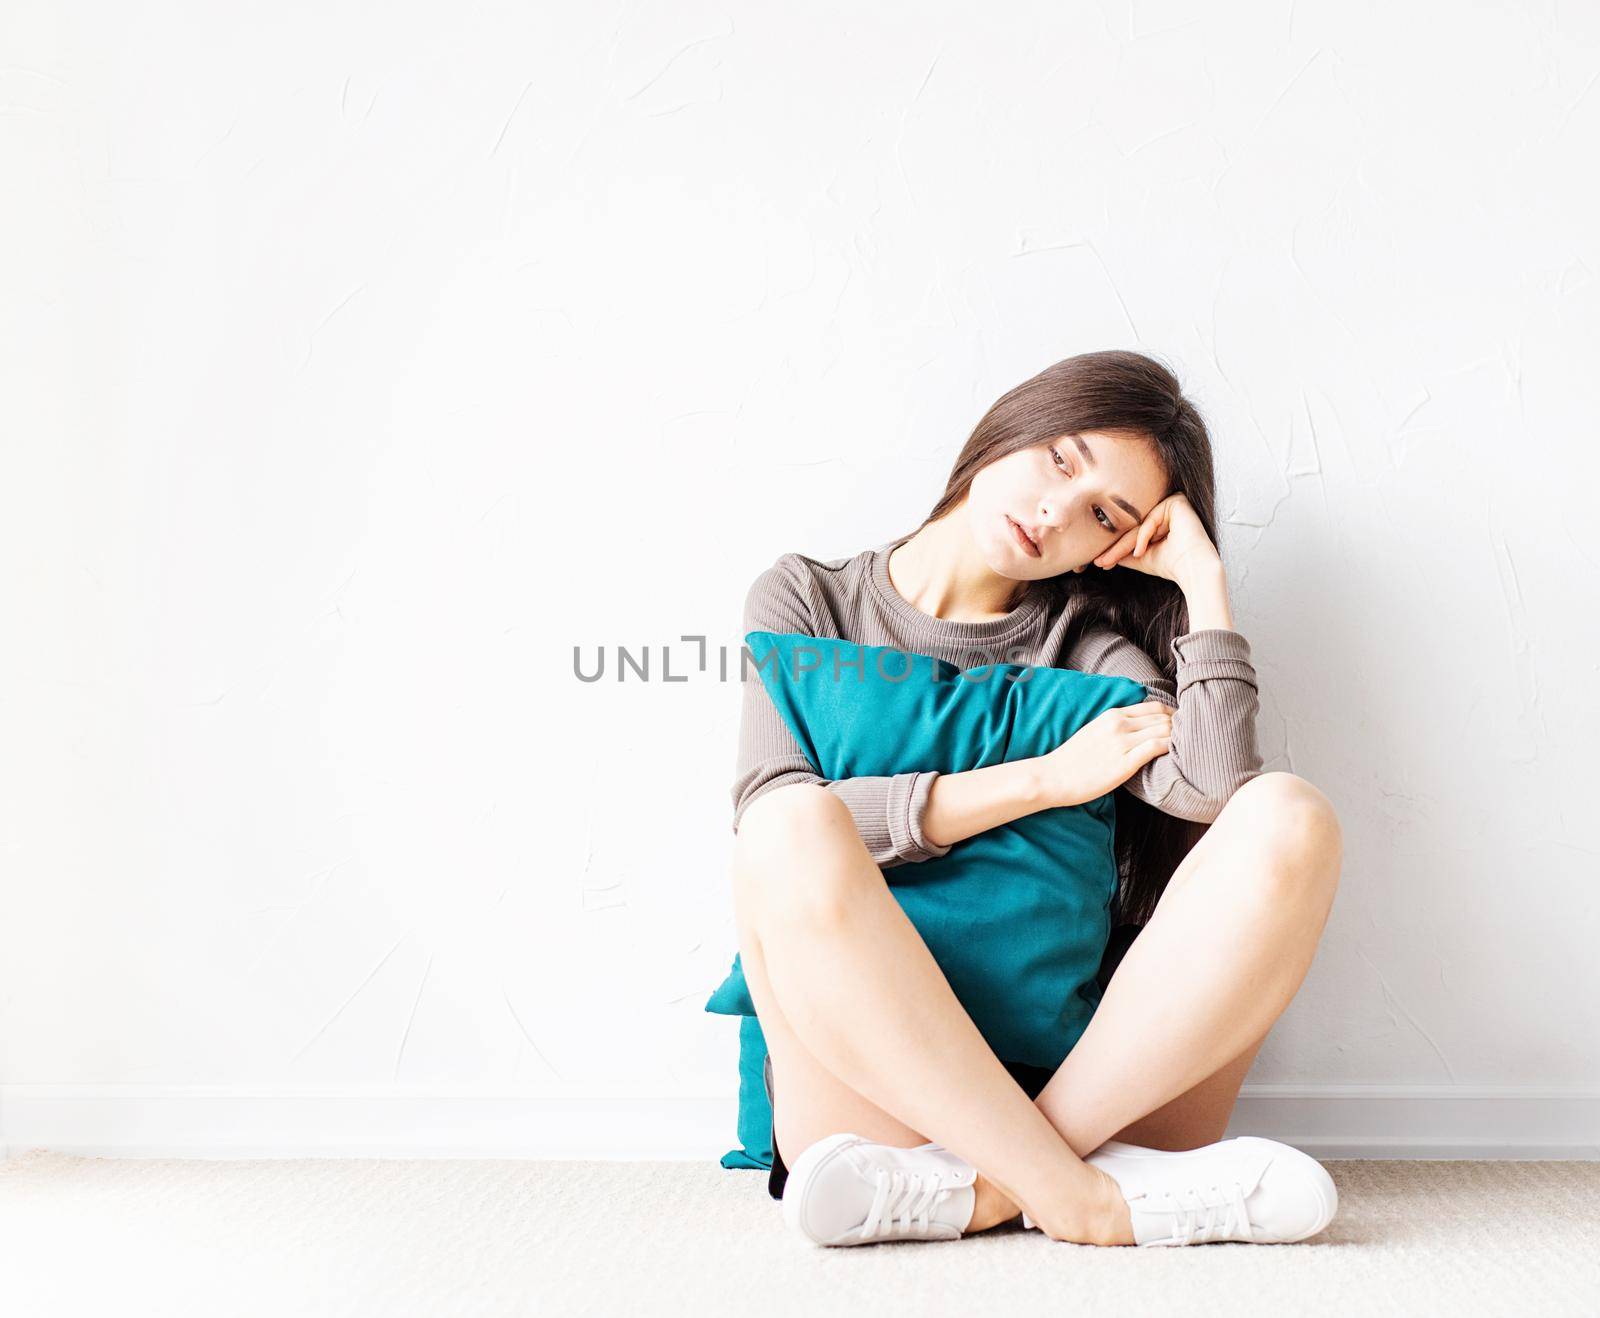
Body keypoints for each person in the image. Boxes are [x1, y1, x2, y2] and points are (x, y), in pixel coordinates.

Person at [727, 348, 1345, 1248]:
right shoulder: (807, 599)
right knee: (788, 826)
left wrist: (1202, 583)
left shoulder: (1088, 646)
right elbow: (775, 825)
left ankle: (1000, 1183)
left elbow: (1216, 792)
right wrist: (1044, 780)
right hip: (870, 1108)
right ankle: (1083, 1199)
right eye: (1061, 458)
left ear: (1116, 547)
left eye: (1104, 513)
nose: (1057, 512)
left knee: (1291, 813)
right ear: (1016, 419)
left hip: (1085, 1099)